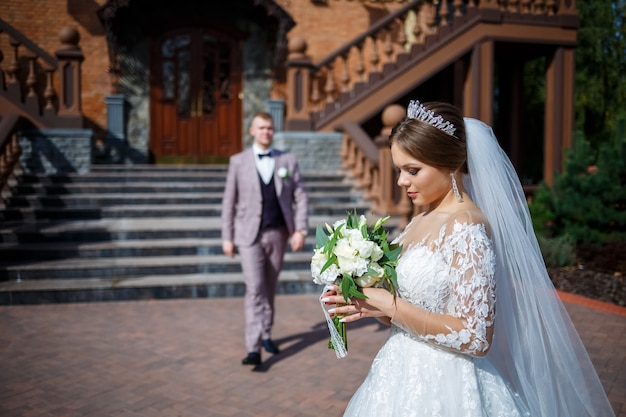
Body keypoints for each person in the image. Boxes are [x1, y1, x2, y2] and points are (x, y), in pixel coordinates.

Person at [323, 101, 615, 416]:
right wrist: (370, 304)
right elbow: (412, 312)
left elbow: (476, 338)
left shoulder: (467, 226)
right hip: (397, 375)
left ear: (448, 163)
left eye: (413, 170)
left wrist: (391, 305)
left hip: (449, 384)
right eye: (399, 171)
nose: (401, 182)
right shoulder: (419, 220)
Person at [221, 111, 309, 367]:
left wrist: (300, 229)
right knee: (255, 290)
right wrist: (227, 237)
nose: (266, 132)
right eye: (261, 128)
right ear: (252, 131)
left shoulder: (288, 160)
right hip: (248, 236)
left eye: (269, 128)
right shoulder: (237, 162)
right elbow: (229, 203)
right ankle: (253, 347)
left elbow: (301, 197)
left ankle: (267, 333)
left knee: (269, 287)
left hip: (278, 234)